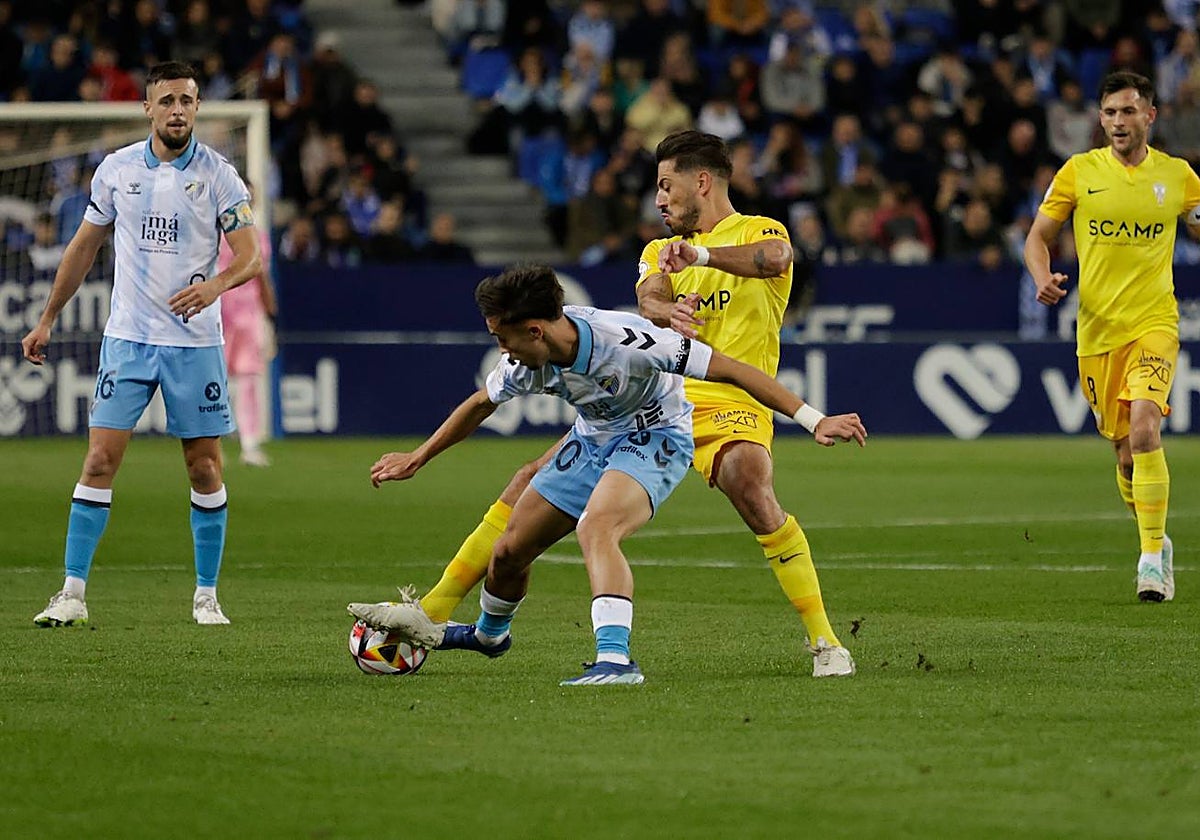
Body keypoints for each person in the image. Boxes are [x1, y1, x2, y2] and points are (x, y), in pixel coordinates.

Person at [351, 130, 864, 679]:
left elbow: (775, 258)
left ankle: (826, 642)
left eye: (667, 186)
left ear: (703, 181)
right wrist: (668, 311)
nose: (660, 199)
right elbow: (650, 297)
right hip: (646, 396)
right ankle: (437, 614)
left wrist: (703, 255)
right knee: (527, 481)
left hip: (729, 399)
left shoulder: (759, 231)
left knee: (751, 486)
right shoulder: (656, 252)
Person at [21, 61, 263, 627]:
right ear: (148, 108)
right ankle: (72, 594)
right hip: (128, 339)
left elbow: (250, 257)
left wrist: (216, 287)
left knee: (204, 467)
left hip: (195, 343)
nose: (178, 109)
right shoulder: (115, 169)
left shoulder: (221, 175)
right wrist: (48, 318)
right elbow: (83, 246)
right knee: (100, 459)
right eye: (168, 100)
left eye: (188, 99)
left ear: (198, 107)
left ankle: (206, 596)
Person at [1024, 71, 1200, 603]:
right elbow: (1037, 238)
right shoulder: (1079, 173)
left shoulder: (1179, 177)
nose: (1118, 123)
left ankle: (1150, 563)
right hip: (1097, 333)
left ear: (1150, 115)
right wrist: (1041, 277)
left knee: (1147, 428)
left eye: (1128, 112)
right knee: (1126, 456)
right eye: (1109, 114)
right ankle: (1156, 538)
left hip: (1155, 323)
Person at [218, 182, 277, 467]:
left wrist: (269, 312)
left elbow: (261, 276)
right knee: (213, 378)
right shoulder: (212, 234)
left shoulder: (258, 236)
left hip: (248, 315)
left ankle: (250, 443)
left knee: (248, 379)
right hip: (218, 312)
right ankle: (212, 441)